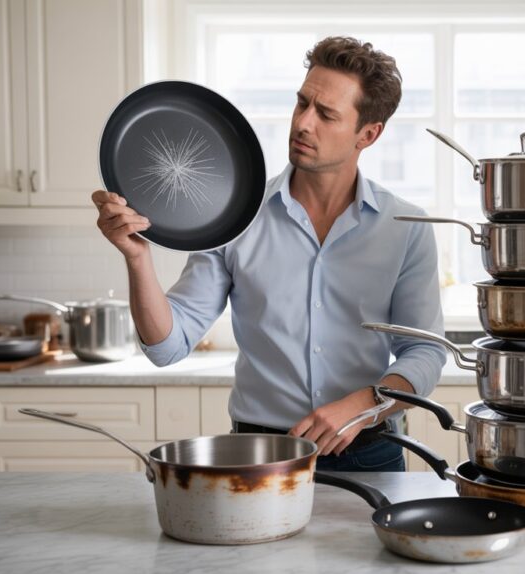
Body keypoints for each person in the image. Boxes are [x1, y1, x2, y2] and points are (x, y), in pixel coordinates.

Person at [91, 36, 446, 471]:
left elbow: (425, 353)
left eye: (326, 114)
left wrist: (364, 404)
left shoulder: (405, 228)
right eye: (302, 104)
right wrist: (136, 258)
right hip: (261, 453)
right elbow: (168, 346)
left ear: (367, 134)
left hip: (371, 450)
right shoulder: (236, 215)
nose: (303, 123)